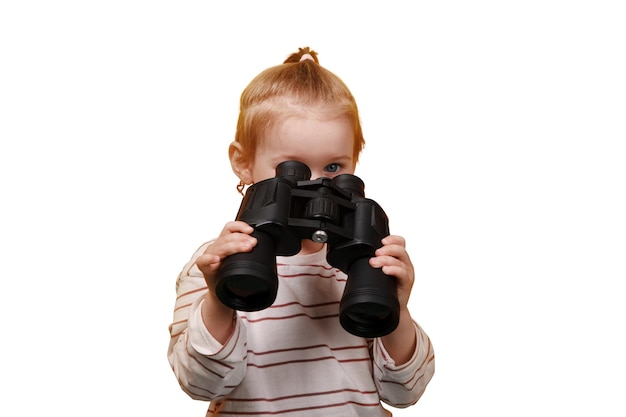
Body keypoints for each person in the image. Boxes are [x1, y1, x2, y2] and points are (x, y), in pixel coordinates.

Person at [168, 47, 435, 417]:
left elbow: (405, 393)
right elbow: (200, 385)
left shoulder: (362, 263)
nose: (317, 187)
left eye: (332, 167)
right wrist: (219, 299)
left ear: (355, 160)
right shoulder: (219, 260)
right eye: (290, 169)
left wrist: (398, 311)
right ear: (243, 163)